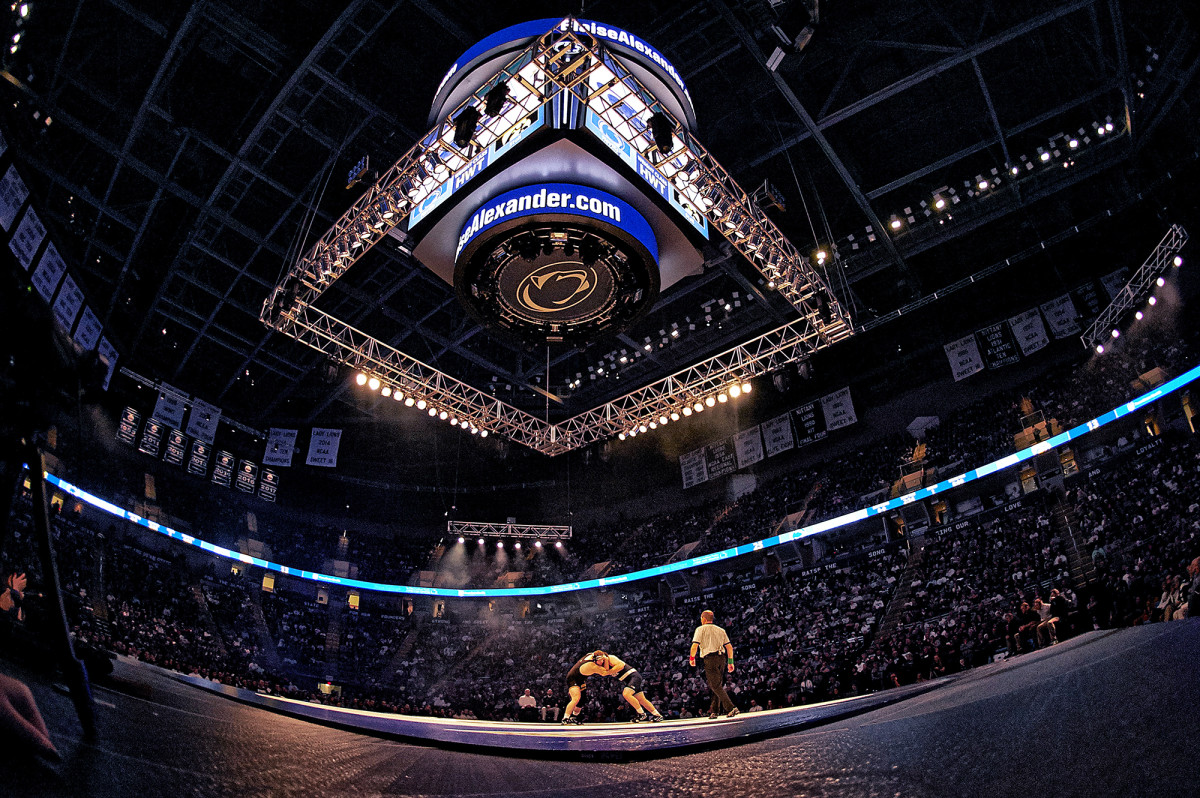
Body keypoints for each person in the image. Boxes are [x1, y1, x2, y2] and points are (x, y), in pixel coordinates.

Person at [561, 650, 664, 724]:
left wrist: (608, 669)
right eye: (599, 660)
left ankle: (641, 714)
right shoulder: (598, 663)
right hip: (628, 679)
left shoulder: (612, 658)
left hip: (633, 676)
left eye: (602, 660)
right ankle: (657, 715)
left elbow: (621, 665)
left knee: (626, 694)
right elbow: (603, 669)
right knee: (641, 699)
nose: (601, 662)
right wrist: (606, 667)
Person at [688, 609, 739, 719]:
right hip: (722, 658)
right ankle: (715, 710)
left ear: (703, 618)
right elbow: (729, 647)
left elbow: (694, 646)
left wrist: (692, 658)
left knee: (715, 685)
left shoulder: (700, 629)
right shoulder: (720, 630)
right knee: (717, 685)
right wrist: (731, 662)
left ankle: (731, 708)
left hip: (710, 658)